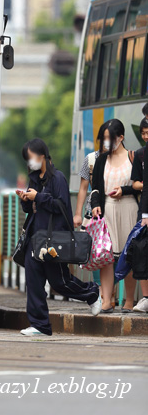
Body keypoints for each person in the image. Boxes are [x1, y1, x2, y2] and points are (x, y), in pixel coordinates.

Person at [17, 138, 101, 336]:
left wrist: (38, 197)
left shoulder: (58, 179)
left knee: (59, 282)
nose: (30, 163)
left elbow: (62, 206)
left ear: (42, 155)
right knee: (34, 280)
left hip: (54, 239)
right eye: (27, 159)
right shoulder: (35, 179)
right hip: (35, 238)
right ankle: (40, 325)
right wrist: (26, 200)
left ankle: (91, 292)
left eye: (31, 158)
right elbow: (32, 209)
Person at [90, 118, 139, 312]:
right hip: (108, 210)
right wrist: (95, 205)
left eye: (110, 138)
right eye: (103, 139)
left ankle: (129, 300)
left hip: (129, 209)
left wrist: (124, 190)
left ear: (121, 137)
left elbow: (139, 186)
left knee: (129, 256)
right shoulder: (102, 159)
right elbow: (96, 189)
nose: (106, 143)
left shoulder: (133, 157)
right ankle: (107, 300)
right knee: (107, 257)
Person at [74, 121, 109, 229]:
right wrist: (78, 214)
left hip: (113, 211)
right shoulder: (90, 159)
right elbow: (83, 188)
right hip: (92, 212)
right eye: (103, 138)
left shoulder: (123, 159)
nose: (106, 141)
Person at [131, 117, 148, 313]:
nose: (145, 136)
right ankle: (145, 297)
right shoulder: (141, 154)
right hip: (144, 207)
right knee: (142, 251)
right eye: (142, 133)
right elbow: (135, 182)